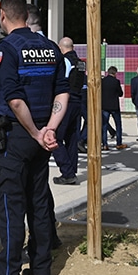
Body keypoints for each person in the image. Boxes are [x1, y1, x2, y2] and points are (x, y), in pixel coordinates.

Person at [0, 0, 68, 275]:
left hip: (17, 136)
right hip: (42, 138)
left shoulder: (7, 49)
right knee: (39, 203)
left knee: (10, 206)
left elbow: (14, 99)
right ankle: (41, 270)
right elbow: (62, 92)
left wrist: (33, 132)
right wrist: (49, 131)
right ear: (27, 17)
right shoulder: (51, 48)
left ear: (3, 16)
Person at [51, 37, 83, 184]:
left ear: (60, 47)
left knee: (56, 138)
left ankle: (67, 172)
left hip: (66, 102)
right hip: (78, 102)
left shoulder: (65, 61)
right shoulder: (81, 63)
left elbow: (61, 81)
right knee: (71, 138)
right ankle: (72, 170)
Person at [101, 66, 125, 150]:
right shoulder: (116, 82)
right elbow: (120, 94)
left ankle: (104, 144)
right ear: (115, 73)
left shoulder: (102, 81)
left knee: (104, 125)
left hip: (104, 106)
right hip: (114, 106)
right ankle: (119, 143)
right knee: (118, 125)